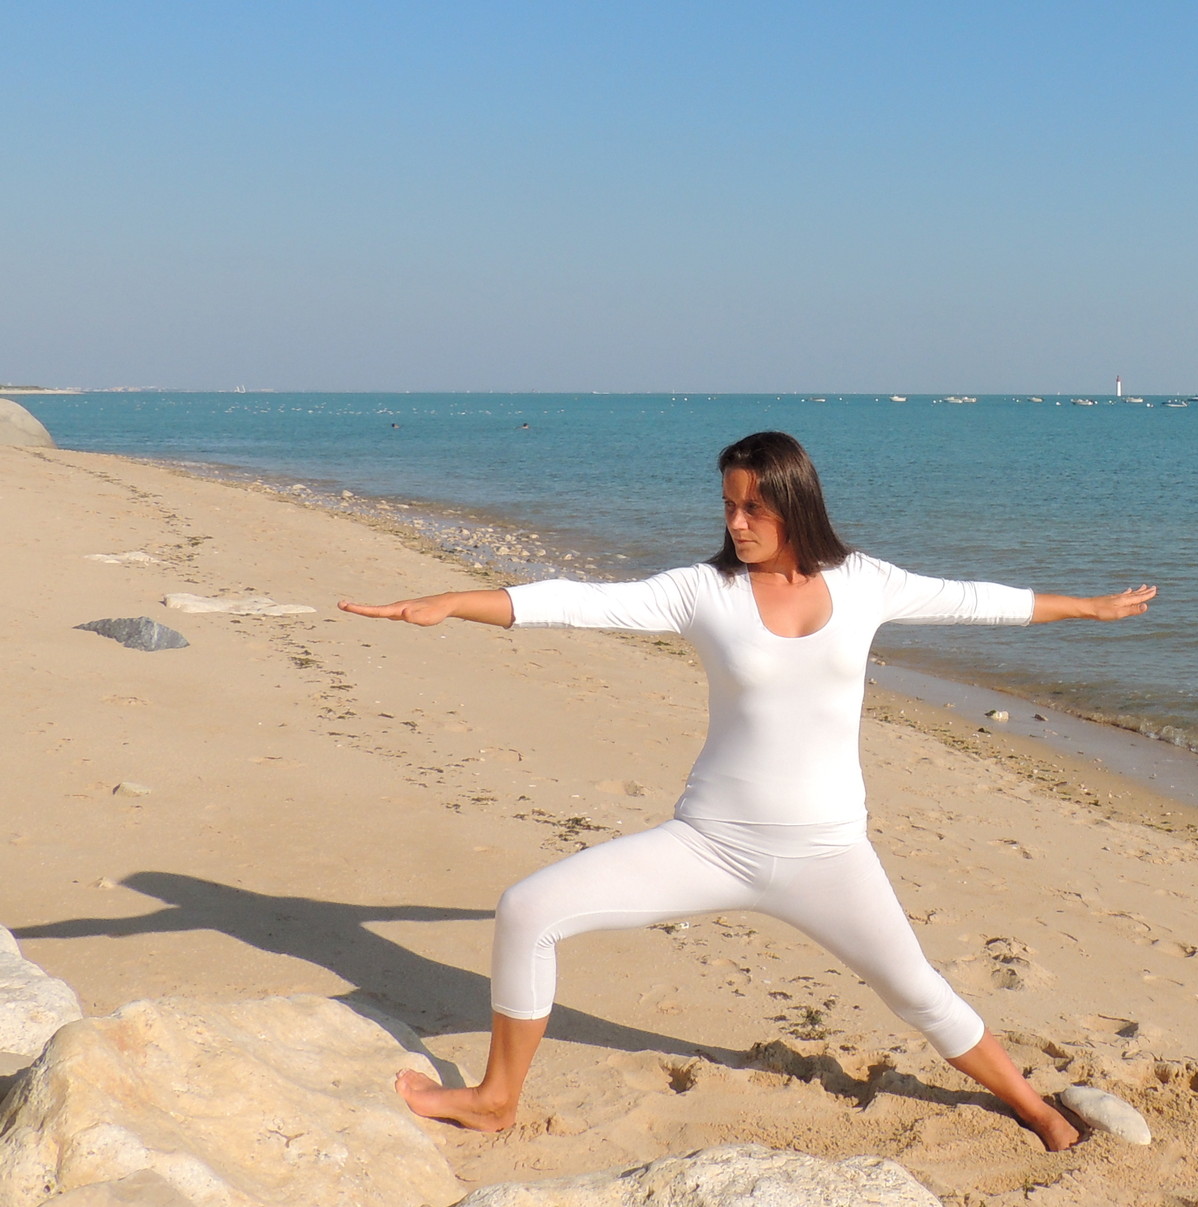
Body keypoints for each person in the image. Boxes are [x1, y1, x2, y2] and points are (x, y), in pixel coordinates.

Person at [340, 431, 1155, 1150]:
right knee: (526, 909)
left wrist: (1086, 606)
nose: (735, 522)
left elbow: (975, 601)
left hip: (829, 853)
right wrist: (455, 601)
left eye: (752, 508)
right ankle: (493, 1099)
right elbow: (580, 602)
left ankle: (1030, 1106)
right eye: (728, 505)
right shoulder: (705, 591)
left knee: (918, 993)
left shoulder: (866, 582)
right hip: (710, 843)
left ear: (794, 503)